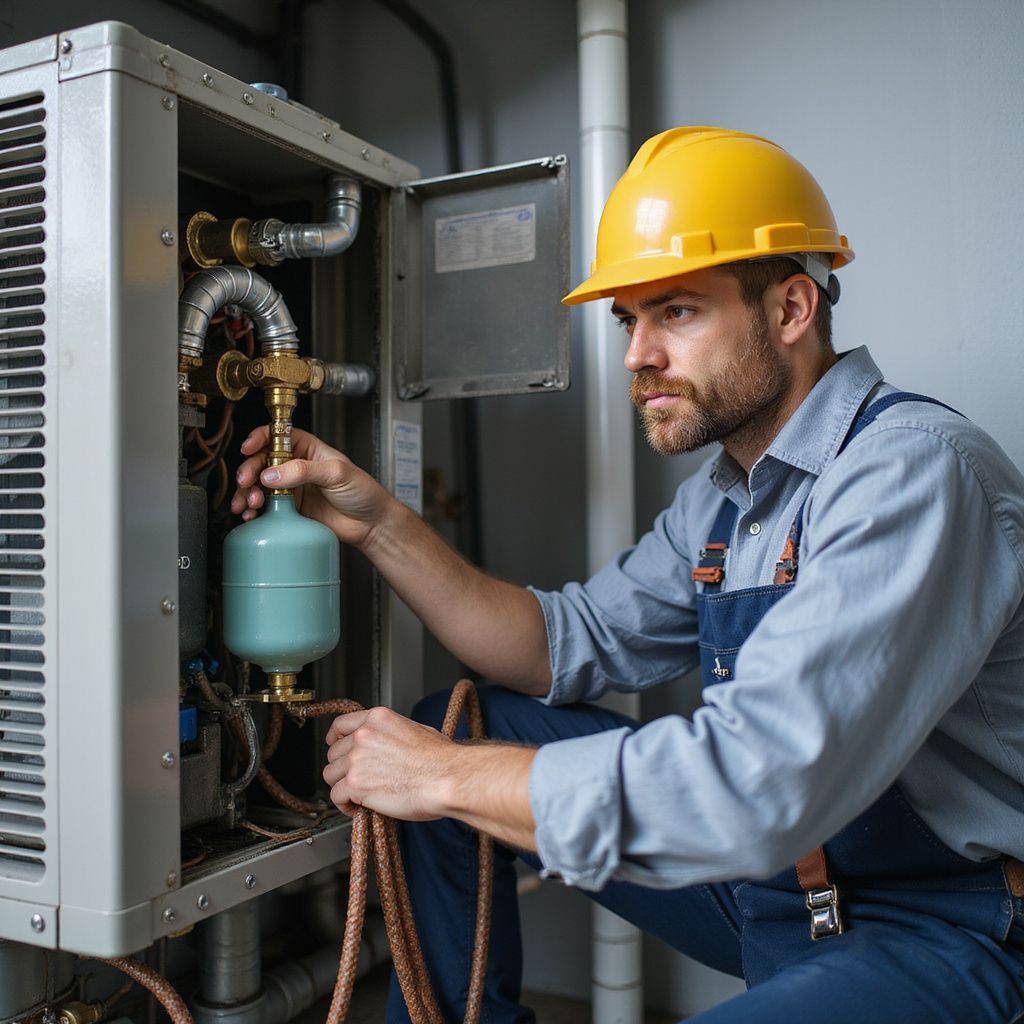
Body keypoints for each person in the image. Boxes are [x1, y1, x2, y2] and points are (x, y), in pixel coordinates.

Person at [231, 127, 1024, 1024]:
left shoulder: (913, 474)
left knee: (445, 761)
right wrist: (379, 525)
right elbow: (561, 647)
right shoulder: (726, 499)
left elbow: (755, 785)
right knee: (458, 721)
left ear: (792, 308)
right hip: (781, 897)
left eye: (676, 310)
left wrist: (444, 779)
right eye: (627, 320)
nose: (636, 354)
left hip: (948, 925)